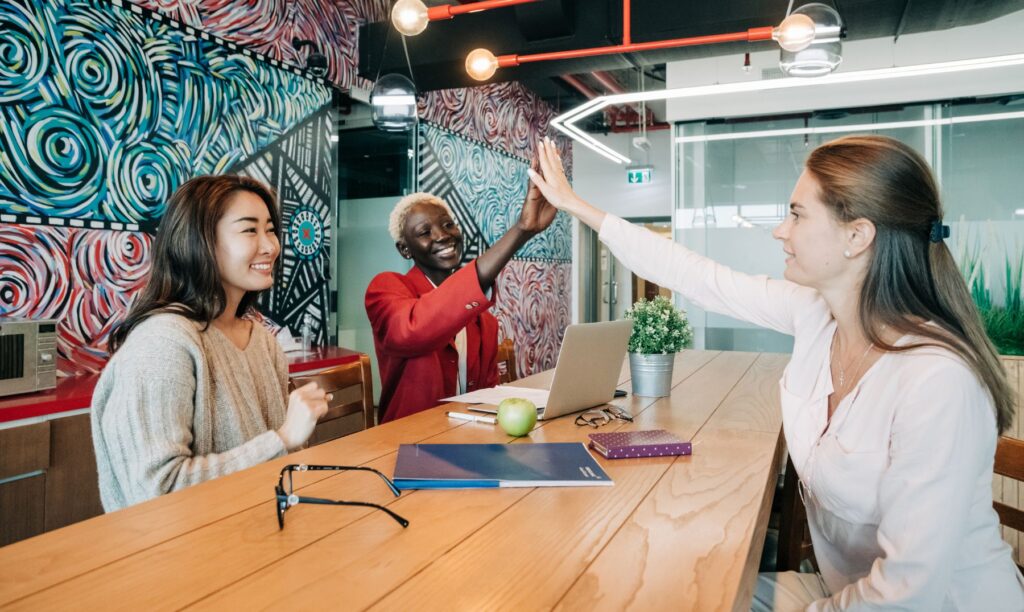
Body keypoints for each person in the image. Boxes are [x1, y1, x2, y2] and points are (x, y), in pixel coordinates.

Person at [527, 135, 1024, 610]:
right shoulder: (816, 313)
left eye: (797, 215)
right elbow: (699, 277)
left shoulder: (939, 382)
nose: (780, 230)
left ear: (857, 236)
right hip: (840, 593)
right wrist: (578, 207)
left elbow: (907, 594)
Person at [92, 175, 329, 512]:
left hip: (252, 538)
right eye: (250, 230)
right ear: (199, 241)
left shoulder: (263, 341)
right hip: (175, 557)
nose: (270, 246)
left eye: (271, 229)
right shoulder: (162, 343)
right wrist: (283, 438)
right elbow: (156, 492)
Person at [365, 164, 556, 423]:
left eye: (448, 225)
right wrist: (521, 229)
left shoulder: (484, 322)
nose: (443, 236)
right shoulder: (386, 288)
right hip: (407, 445)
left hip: (466, 440)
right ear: (405, 250)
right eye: (424, 232)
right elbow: (414, 328)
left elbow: (486, 397)